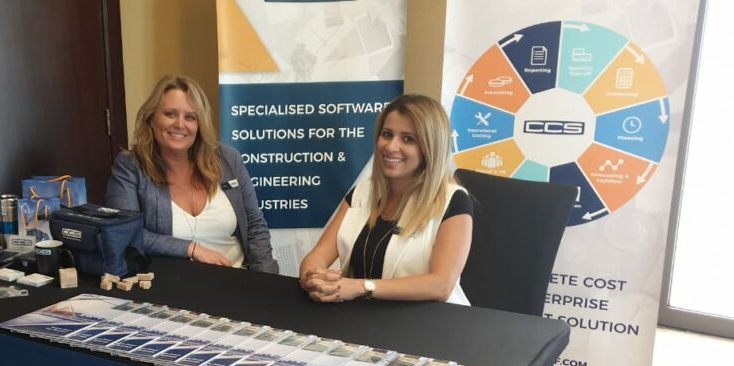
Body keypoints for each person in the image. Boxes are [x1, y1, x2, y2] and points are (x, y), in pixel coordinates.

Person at [299, 94, 472, 304]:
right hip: (359, 320)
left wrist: (361, 287)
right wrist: (314, 278)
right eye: (387, 134)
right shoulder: (363, 192)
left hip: (427, 325)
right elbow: (317, 256)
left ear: (430, 147)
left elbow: (440, 285)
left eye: (408, 138)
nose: (390, 146)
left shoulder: (453, 201)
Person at [106, 75, 279, 273]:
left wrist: (266, 281)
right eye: (170, 114)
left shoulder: (228, 158)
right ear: (152, 119)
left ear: (200, 124)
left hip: (237, 281)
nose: (180, 124)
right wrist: (191, 249)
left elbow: (255, 226)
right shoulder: (130, 166)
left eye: (190, 117)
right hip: (170, 287)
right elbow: (126, 232)